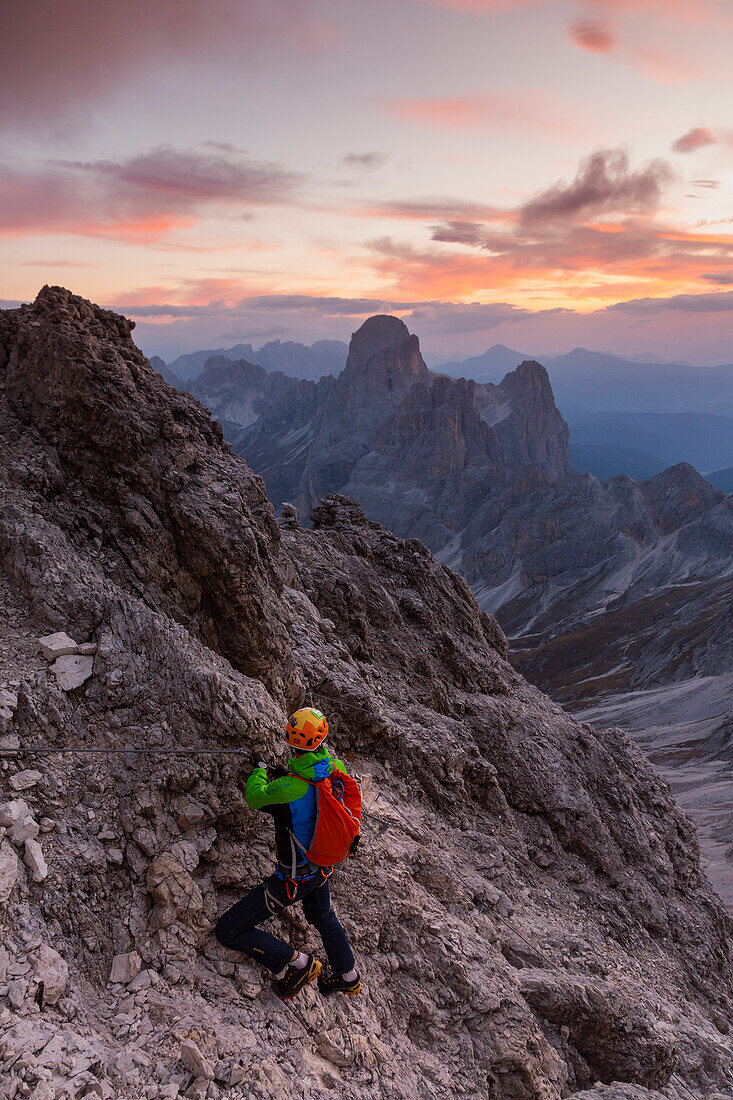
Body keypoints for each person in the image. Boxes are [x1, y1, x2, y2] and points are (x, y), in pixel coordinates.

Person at [215, 707, 361, 1000]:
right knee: (322, 916)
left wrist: (259, 768)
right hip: (321, 866)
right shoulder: (335, 768)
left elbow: (256, 797)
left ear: (290, 741)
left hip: (292, 880)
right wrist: (288, 776)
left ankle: (299, 964)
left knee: (228, 930)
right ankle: (348, 976)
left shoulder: (289, 787)